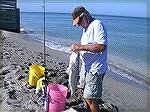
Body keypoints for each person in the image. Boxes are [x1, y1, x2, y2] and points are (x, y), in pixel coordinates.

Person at [70, 6, 108, 112]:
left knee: (91, 98)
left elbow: (101, 46)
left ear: (85, 15)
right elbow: (87, 44)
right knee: (87, 96)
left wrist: (80, 47)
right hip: (87, 68)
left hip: (95, 68)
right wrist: (78, 45)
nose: (78, 24)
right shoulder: (86, 27)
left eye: (79, 21)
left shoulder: (97, 25)